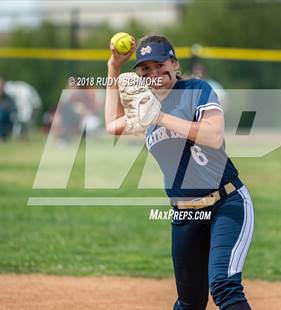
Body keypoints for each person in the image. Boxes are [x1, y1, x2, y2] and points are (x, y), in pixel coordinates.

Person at [105, 34, 254, 310]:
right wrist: (113, 67)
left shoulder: (197, 89)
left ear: (174, 64)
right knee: (189, 303)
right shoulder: (146, 105)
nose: (154, 74)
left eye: (160, 65)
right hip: (184, 214)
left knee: (223, 285)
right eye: (145, 69)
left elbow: (213, 135)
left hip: (226, 203)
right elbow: (112, 125)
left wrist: (160, 118)